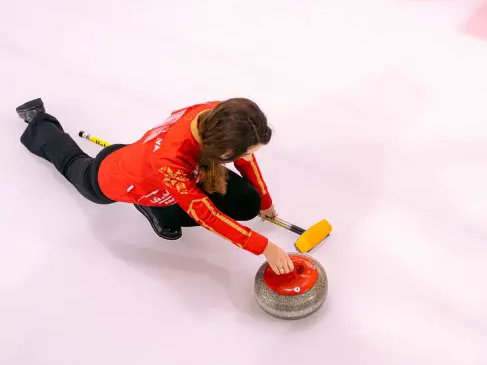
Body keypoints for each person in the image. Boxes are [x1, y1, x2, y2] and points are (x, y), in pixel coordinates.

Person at [16, 97, 294, 274]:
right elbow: (207, 216)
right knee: (72, 162)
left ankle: (157, 204)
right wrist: (264, 247)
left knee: (248, 202)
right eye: (244, 152)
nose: (247, 158)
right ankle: (38, 122)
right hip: (114, 178)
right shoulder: (171, 163)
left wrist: (266, 201)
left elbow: (244, 159)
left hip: (149, 161)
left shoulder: (218, 115)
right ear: (220, 149)